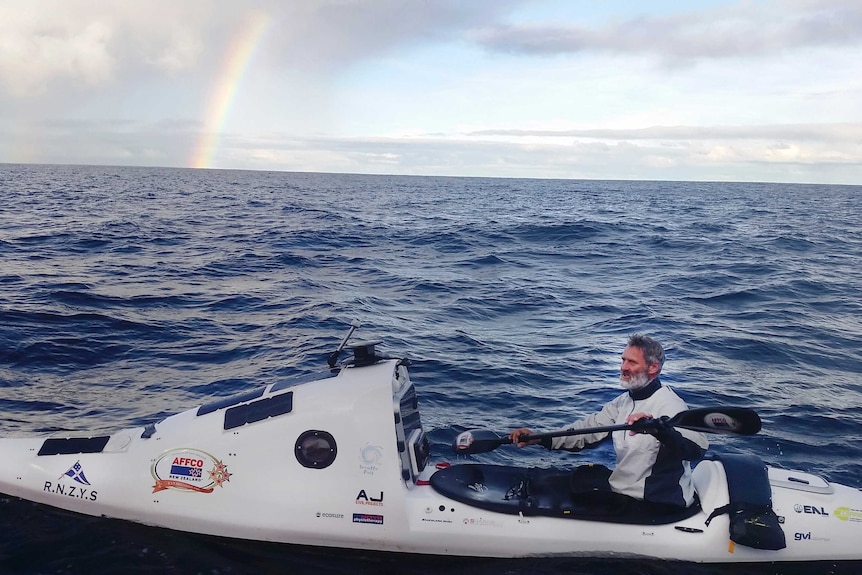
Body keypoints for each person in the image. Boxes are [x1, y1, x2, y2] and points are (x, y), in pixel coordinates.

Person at [509, 334, 708, 509]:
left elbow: (696, 449)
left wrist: (659, 429)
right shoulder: (623, 402)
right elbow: (586, 432)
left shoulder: (670, 405)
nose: (623, 367)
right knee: (558, 480)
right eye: (623, 360)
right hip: (622, 490)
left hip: (656, 502)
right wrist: (539, 438)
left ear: (653, 368)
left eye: (631, 362)